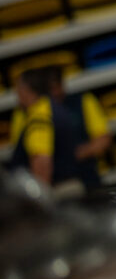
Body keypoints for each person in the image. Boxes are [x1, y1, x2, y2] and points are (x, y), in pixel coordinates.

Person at [8, 66, 110, 195]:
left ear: (25, 90)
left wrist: (39, 198)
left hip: (59, 189)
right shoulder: (54, 109)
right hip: (71, 184)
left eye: (18, 89)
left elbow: (41, 162)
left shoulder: (40, 116)